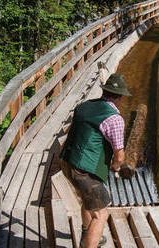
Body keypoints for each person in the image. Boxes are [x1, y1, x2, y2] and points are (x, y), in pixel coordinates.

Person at [60, 73, 131, 248]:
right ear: (120, 97)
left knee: (88, 200)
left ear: (104, 92)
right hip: (84, 171)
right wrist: (116, 167)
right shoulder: (115, 119)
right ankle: (90, 243)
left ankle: (88, 234)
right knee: (101, 214)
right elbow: (119, 155)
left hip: (67, 161)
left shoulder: (83, 106)